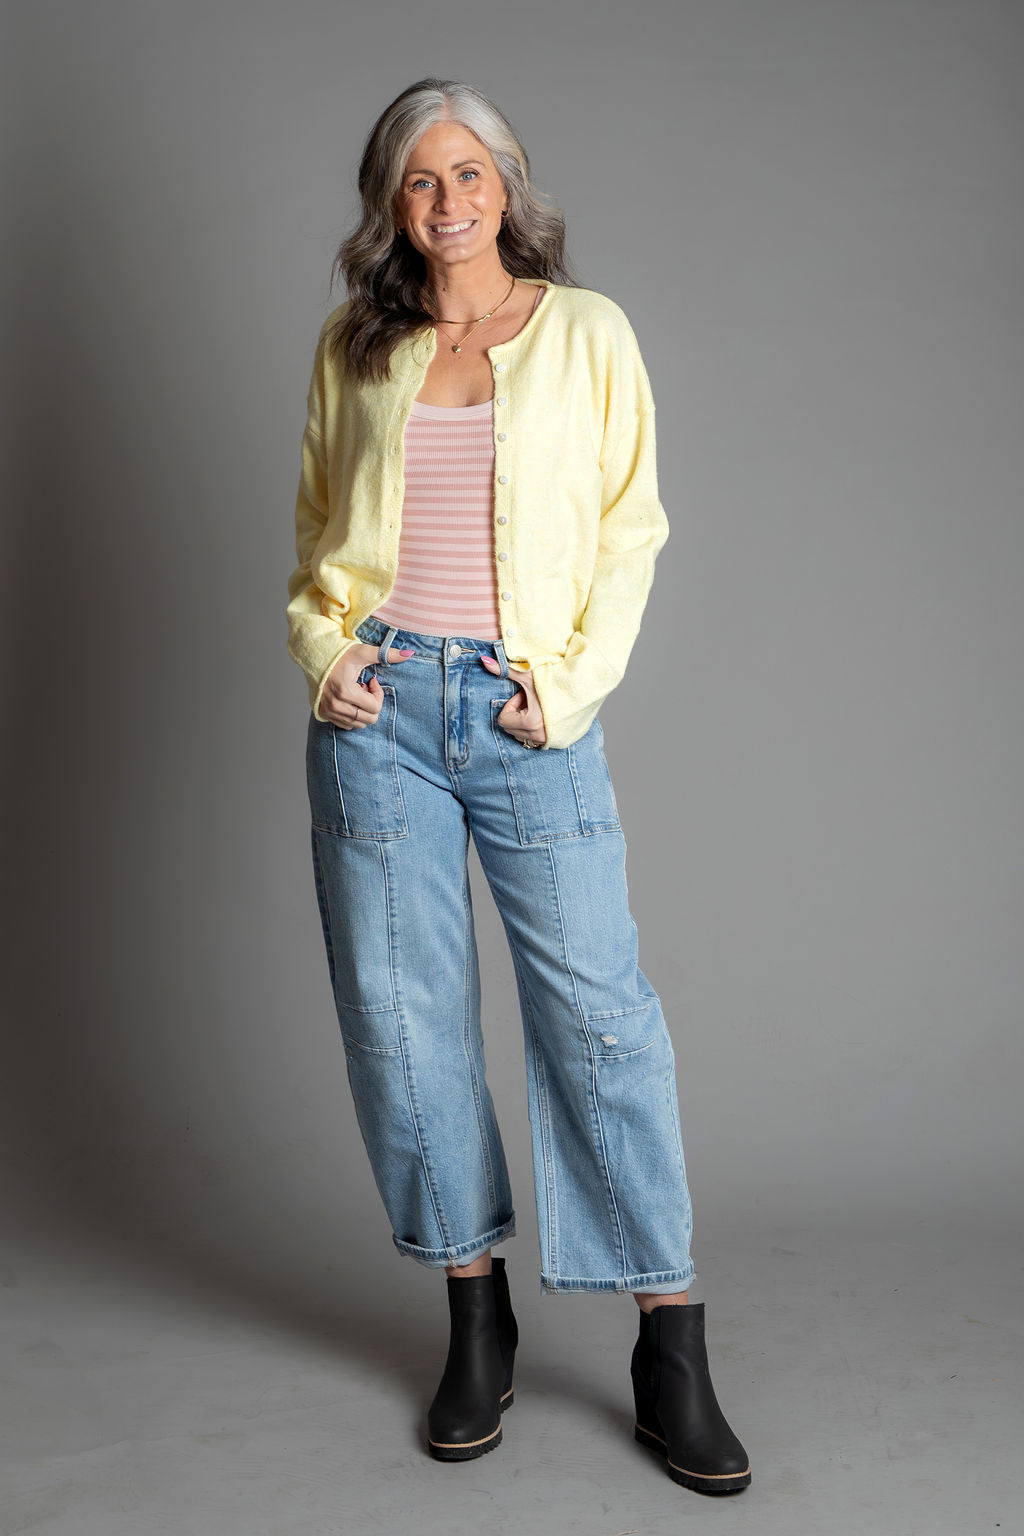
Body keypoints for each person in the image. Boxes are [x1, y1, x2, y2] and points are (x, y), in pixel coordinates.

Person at [286, 77, 751, 1494]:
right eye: (420, 179)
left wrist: (571, 686)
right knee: (404, 1019)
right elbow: (316, 531)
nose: (448, 202)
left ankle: (670, 1344)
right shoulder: (357, 347)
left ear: (508, 187)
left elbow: (631, 529)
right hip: (378, 717)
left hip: (521, 712)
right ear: (393, 201)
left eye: (470, 174)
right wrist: (325, 653)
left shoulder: (588, 332)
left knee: (600, 1016)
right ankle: (473, 1319)